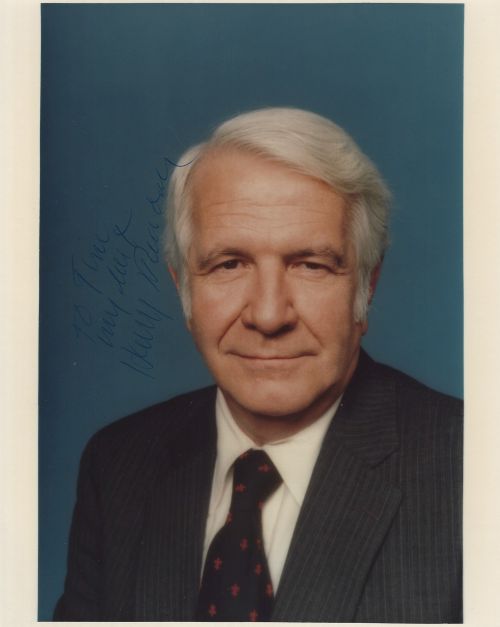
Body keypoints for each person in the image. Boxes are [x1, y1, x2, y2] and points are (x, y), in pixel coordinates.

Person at [54, 108, 462, 623]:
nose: (269, 316)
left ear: (367, 287)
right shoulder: (117, 465)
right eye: (229, 264)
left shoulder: (471, 470)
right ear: (184, 290)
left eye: (310, 265)